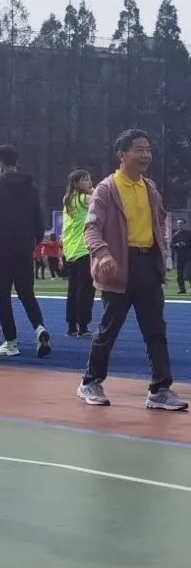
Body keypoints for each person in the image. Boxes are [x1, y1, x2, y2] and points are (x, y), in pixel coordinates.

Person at [77, 129, 187, 411]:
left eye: (148, 149)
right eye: (139, 149)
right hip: (118, 266)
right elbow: (91, 228)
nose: (146, 155)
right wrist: (103, 254)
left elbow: (160, 220)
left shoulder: (150, 188)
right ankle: (90, 382)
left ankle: (160, 389)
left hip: (147, 265)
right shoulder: (106, 189)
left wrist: (162, 250)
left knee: (155, 329)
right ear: (122, 154)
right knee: (109, 328)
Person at [0, 144, 51, 358]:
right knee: (27, 294)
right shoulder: (31, 186)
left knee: (4, 296)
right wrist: (34, 241)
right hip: (24, 248)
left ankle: (11, 342)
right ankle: (39, 328)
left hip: (2, 249)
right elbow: (38, 218)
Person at [62, 169, 95, 337]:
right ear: (76, 183)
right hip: (83, 249)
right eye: (85, 179)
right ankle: (83, 326)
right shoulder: (84, 199)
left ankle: (71, 326)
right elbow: (101, 198)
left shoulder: (68, 200)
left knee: (73, 290)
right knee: (86, 290)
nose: (90, 182)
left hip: (70, 251)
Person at [170, 218, 190, 294]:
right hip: (179, 257)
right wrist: (177, 245)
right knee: (179, 274)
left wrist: (185, 244)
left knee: (188, 274)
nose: (179, 225)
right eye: (178, 223)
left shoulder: (189, 234)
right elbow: (171, 245)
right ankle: (182, 289)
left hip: (188, 257)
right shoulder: (175, 235)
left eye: (181, 223)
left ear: (185, 224)